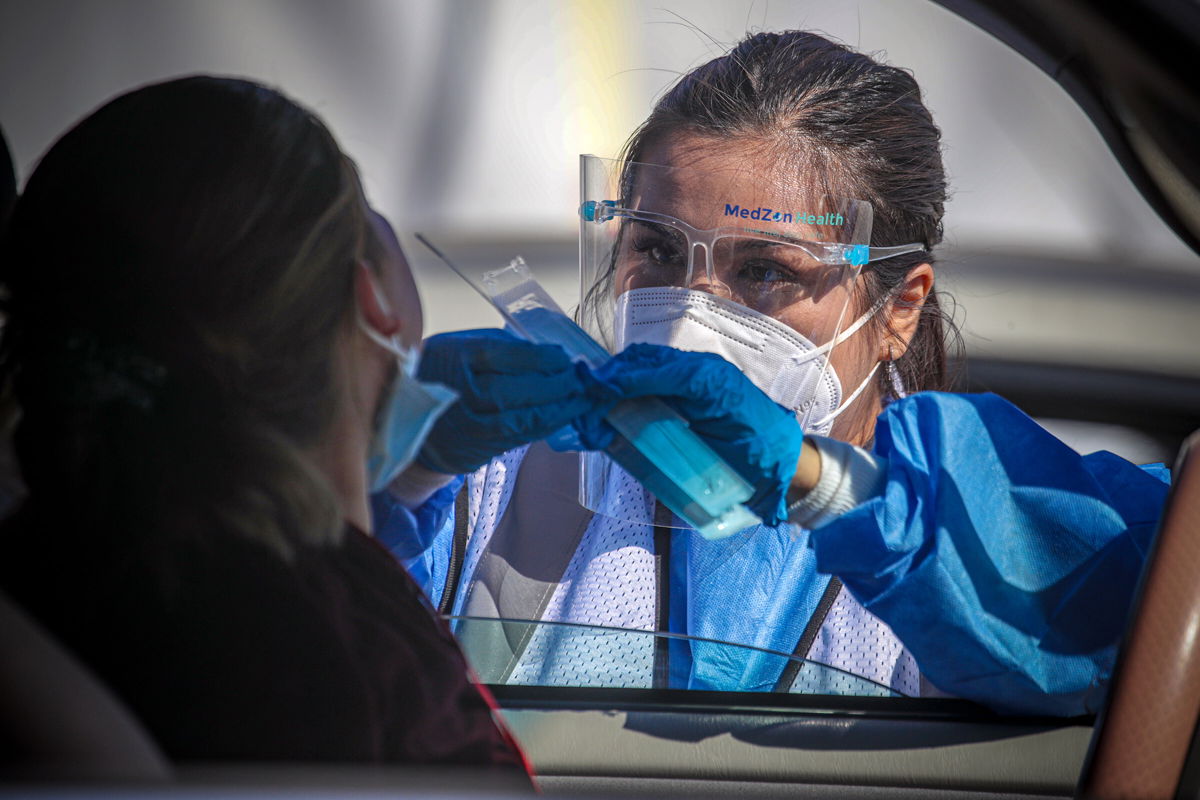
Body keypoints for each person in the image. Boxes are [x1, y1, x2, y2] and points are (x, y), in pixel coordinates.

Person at [376, 31, 1172, 716]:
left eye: (765, 271)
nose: (686, 323)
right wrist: (390, 469)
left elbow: (1134, 609)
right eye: (655, 250)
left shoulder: (958, 528)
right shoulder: (489, 497)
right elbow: (296, 636)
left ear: (899, 308)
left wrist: (820, 485)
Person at [0, 75, 616, 773]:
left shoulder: (43, 571)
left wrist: (404, 486)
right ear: (372, 299)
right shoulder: (329, 651)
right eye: (375, 221)